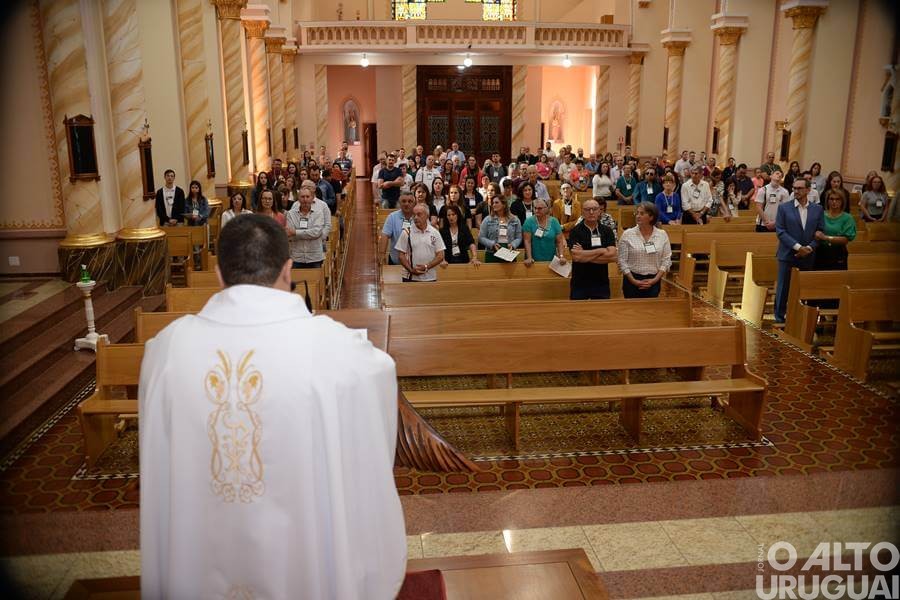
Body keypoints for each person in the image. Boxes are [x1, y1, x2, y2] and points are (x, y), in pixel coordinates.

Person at [139, 214, 406, 600]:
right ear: (287, 269)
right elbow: (381, 377)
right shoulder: (337, 350)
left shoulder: (166, 351)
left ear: (219, 275)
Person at [774, 178, 824, 323]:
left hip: (808, 255)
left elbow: (820, 231)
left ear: (808, 190)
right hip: (787, 254)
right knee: (783, 288)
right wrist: (798, 247)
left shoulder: (817, 209)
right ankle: (780, 318)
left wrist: (809, 248)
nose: (796, 191)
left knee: (804, 287)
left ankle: (802, 316)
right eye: (794, 188)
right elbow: (780, 231)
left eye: (799, 188)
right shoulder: (784, 208)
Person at [617, 202, 672, 298]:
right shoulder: (628, 234)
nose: (638, 216)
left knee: (650, 307)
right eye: (637, 213)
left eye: (642, 213)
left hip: (654, 280)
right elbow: (622, 260)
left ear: (651, 217)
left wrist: (655, 280)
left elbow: (666, 259)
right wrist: (633, 280)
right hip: (631, 280)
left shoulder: (662, 234)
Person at [567, 199, 617, 300]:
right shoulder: (575, 231)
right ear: (582, 212)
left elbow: (612, 256)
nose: (591, 212)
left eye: (594, 209)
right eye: (587, 209)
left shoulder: (607, 231)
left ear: (599, 211)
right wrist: (601, 251)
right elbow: (576, 257)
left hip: (601, 282)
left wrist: (584, 254)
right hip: (579, 282)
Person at [396, 203, 445, 281]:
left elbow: (440, 255)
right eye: (414, 215)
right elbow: (401, 255)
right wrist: (411, 270)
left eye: (419, 214)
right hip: (410, 277)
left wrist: (426, 267)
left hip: (430, 278)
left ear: (427, 216)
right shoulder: (406, 232)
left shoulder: (435, 232)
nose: (415, 217)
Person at [814, 189, 857, 271]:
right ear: (827, 201)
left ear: (842, 201)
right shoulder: (820, 215)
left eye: (837, 199)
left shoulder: (847, 218)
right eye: (831, 199)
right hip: (820, 252)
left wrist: (825, 238)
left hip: (838, 253)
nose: (834, 202)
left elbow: (845, 240)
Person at [285, 186, 327, 268]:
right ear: (298, 198)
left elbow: (316, 233)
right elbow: (290, 234)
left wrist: (295, 232)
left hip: (315, 258)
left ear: (312, 198)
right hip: (297, 258)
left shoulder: (318, 213)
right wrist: (308, 233)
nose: (305, 199)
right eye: (302, 197)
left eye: (307, 197)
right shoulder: (291, 214)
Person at [523, 199, 567, 266]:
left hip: (551, 260)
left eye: (540, 208)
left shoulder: (554, 221)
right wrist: (529, 257)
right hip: (533, 261)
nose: (537, 210)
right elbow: (527, 241)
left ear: (546, 209)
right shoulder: (528, 222)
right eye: (535, 208)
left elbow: (560, 241)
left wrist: (561, 256)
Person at [479, 195, 522, 262]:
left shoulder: (515, 220)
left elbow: (519, 237)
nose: (494, 205)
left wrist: (513, 245)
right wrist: (492, 244)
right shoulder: (487, 219)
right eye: (493, 203)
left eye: (496, 202)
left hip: (509, 252)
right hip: (492, 252)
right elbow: (481, 237)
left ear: (504, 204)